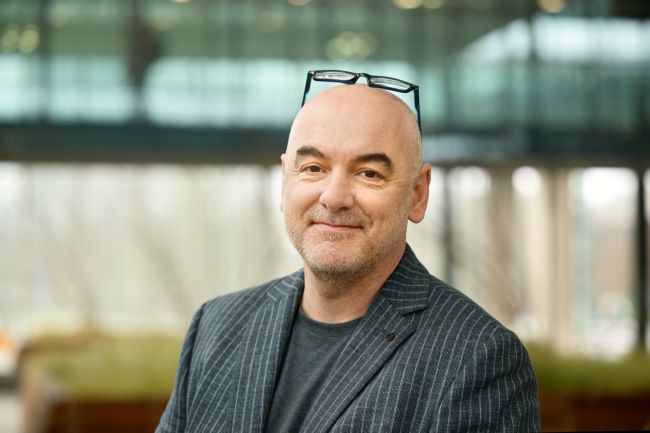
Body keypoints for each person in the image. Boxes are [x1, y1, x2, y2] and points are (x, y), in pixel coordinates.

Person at [155, 71, 540, 433]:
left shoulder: (478, 358)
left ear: (418, 194)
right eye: (313, 168)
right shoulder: (216, 326)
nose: (334, 197)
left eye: (369, 173)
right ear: (285, 181)